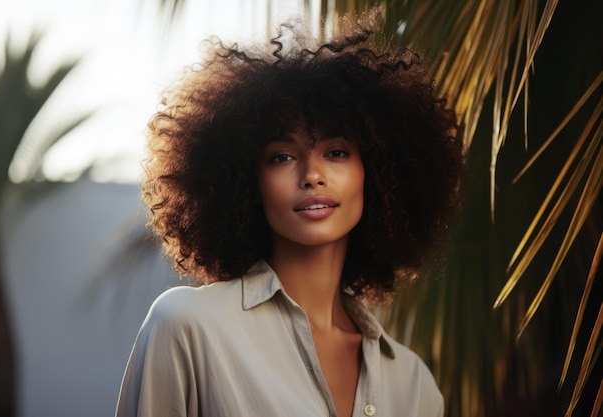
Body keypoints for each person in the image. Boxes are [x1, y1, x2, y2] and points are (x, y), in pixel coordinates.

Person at [116, 9, 464, 417]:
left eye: (336, 152)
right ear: (248, 181)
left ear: (376, 172)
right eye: (282, 156)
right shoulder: (187, 327)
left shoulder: (414, 384)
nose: (312, 175)